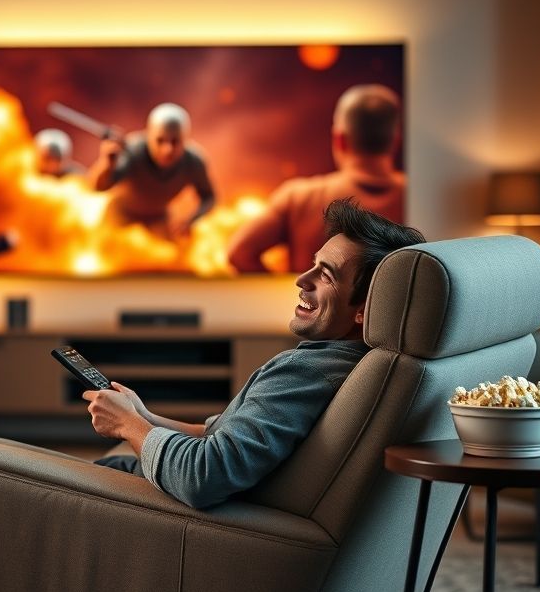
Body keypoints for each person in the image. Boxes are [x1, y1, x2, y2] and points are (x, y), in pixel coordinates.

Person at [84, 198, 425, 509]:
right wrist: (143, 416)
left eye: (326, 276)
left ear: (365, 309)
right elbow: (221, 438)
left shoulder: (305, 373)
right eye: (312, 264)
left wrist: (127, 425)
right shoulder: (359, 362)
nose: (301, 280)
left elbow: (204, 476)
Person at [227, 84, 405, 273]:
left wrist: (285, 296)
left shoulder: (299, 198)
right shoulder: (423, 197)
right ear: (395, 141)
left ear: (340, 139)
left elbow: (239, 253)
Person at [88, 103, 215, 237]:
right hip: (119, 217)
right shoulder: (133, 151)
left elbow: (209, 197)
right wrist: (108, 164)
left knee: (172, 254)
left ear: (185, 139)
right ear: (149, 136)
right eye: (160, 141)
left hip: (158, 220)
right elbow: (98, 187)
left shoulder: (194, 162)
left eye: (175, 141)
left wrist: (190, 220)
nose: (168, 150)